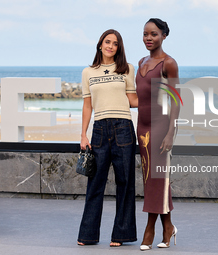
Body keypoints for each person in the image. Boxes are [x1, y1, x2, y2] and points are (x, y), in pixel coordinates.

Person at [77, 29, 138, 247]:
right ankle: (87, 235)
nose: (111, 46)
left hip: (123, 127)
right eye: (107, 42)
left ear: (119, 48)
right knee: (95, 183)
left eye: (115, 43)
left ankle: (121, 236)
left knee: (125, 182)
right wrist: (83, 134)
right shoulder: (88, 72)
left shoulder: (127, 69)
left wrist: (154, 89)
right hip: (100, 130)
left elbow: (133, 100)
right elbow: (87, 105)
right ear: (100, 44)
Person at [136, 18, 180, 251]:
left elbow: (175, 100)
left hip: (161, 127)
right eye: (145, 34)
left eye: (153, 34)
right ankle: (169, 226)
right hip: (141, 127)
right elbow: (138, 98)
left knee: (157, 178)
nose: (148, 38)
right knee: (151, 179)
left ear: (163, 35)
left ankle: (149, 230)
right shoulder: (141, 62)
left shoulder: (169, 63)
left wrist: (171, 132)